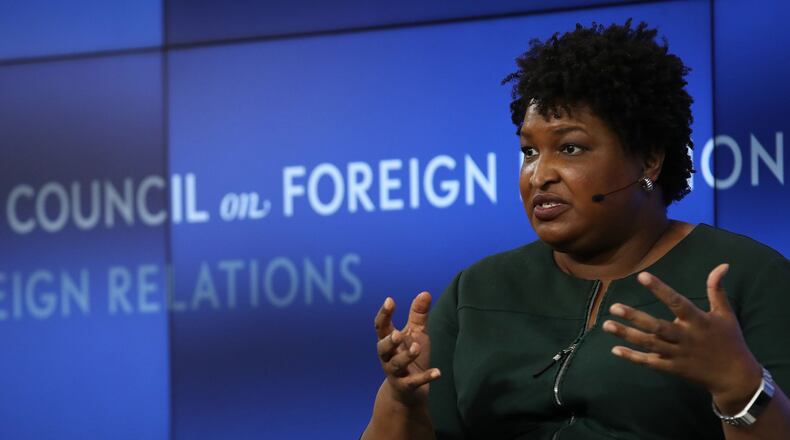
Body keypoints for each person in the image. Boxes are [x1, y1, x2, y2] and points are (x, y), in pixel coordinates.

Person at [361, 20, 790, 439]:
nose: (539, 175)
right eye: (529, 151)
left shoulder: (747, 279)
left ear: (648, 161)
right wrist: (402, 400)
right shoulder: (475, 292)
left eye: (570, 148)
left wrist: (741, 388)